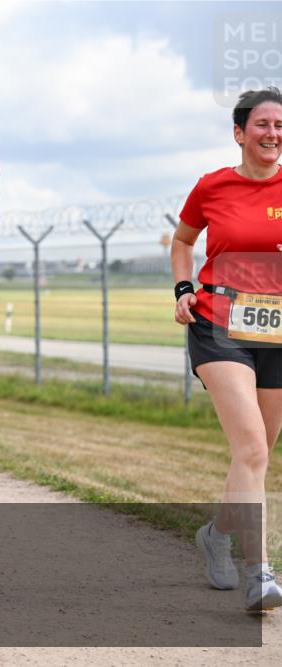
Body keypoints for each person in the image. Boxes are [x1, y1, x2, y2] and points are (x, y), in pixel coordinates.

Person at [172, 87, 282, 613]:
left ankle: (216, 534)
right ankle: (259, 572)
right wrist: (182, 288)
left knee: (256, 455)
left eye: (280, 125)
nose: (272, 133)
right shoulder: (212, 187)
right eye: (262, 124)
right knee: (254, 449)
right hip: (218, 322)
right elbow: (183, 241)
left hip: (277, 331)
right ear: (239, 133)